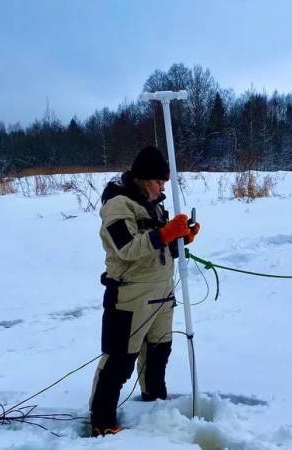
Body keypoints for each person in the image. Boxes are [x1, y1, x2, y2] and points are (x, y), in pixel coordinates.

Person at [89, 145, 200, 437]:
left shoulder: (154, 203)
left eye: (164, 182)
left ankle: (154, 398)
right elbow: (127, 248)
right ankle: (102, 420)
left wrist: (182, 239)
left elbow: (157, 250)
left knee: (160, 350)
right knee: (119, 359)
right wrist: (166, 233)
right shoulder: (118, 205)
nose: (162, 186)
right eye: (157, 181)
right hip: (130, 295)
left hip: (162, 292)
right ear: (141, 178)